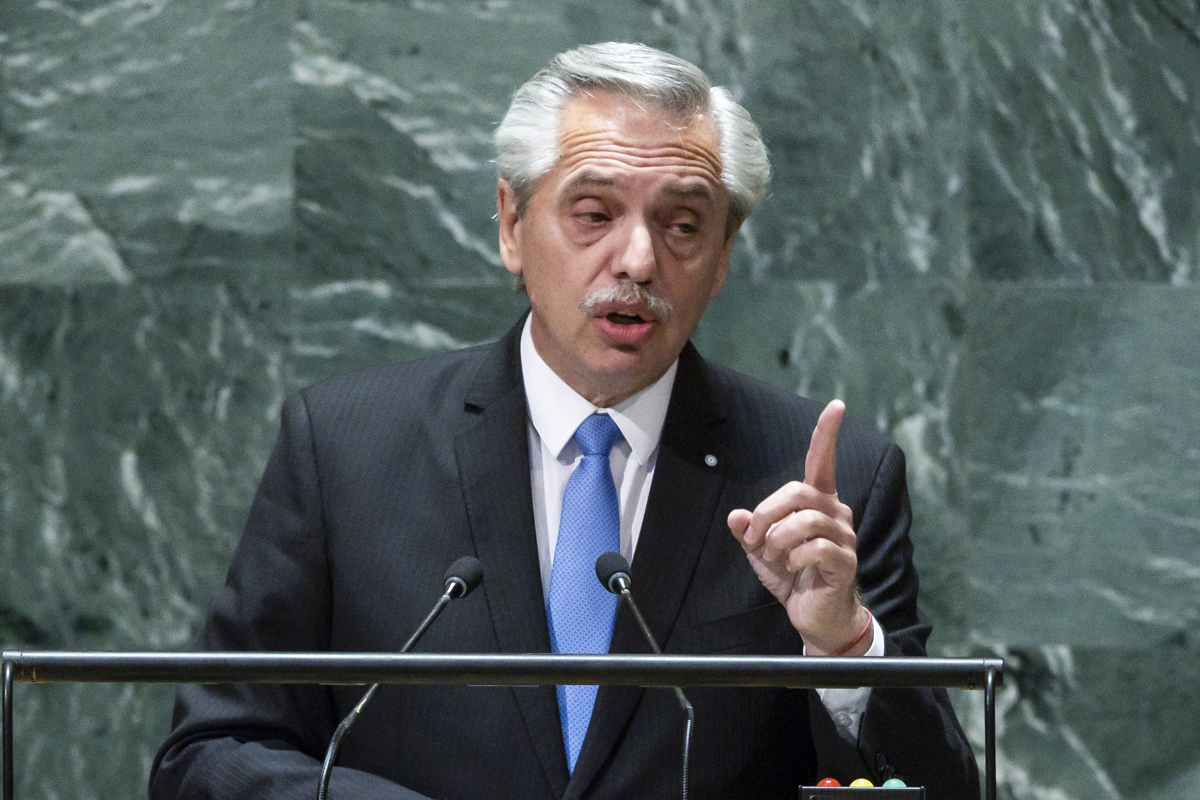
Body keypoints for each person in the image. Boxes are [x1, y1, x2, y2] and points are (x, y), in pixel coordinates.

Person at [150, 43, 977, 799]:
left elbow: (941, 789)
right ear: (512, 224)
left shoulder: (825, 483)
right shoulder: (344, 449)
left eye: (683, 224)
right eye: (593, 213)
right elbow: (212, 752)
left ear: (724, 257)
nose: (639, 259)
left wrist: (842, 647)